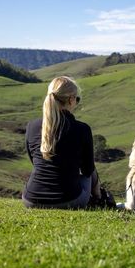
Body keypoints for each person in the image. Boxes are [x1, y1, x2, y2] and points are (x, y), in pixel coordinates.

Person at [22, 76, 102, 209]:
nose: (76, 102)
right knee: (91, 173)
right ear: (71, 99)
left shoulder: (32, 126)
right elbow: (87, 170)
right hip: (69, 200)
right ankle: (99, 198)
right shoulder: (82, 129)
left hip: (31, 199)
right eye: (77, 99)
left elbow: (34, 160)